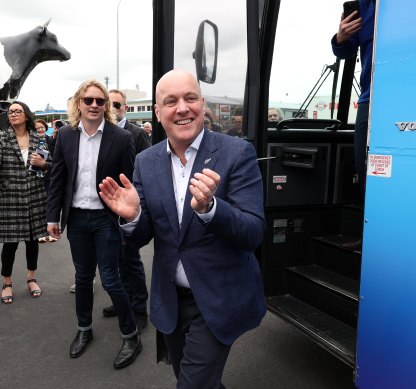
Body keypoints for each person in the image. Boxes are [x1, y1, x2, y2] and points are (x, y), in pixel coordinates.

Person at [98, 69, 266, 388]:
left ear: (203, 104)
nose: (182, 108)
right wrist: (133, 217)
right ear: (158, 113)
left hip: (219, 298)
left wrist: (212, 209)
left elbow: (254, 232)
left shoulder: (237, 154)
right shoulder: (146, 162)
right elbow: (144, 235)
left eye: (190, 98)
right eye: (171, 101)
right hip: (171, 300)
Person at [46, 79, 140, 369]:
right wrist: (52, 216)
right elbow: (57, 178)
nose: (95, 105)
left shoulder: (121, 139)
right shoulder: (64, 136)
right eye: (89, 100)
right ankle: (84, 329)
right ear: (79, 103)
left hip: (105, 219)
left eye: (101, 101)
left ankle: (131, 335)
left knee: (111, 279)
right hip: (76, 219)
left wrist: (129, 218)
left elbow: (131, 184)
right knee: (83, 278)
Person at [0, 101, 50, 303]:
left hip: (35, 195)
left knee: (32, 241)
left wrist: (44, 164)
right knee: (10, 244)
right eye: (10, 112)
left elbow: (50, 164)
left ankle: (31, 278)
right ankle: (7, 282)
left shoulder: (39, 138)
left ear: (26, 115)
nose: (12, 114)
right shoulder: (1, 138)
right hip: (11, 196)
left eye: (17, 111)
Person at [103, 89, 150, 331]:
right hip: (107, 209)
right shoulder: (99, 133)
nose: (111, 108)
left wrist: (136, 206)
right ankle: (123, 302)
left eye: (117, 104)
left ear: (126, 109)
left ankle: (140, 308)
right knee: (114, 260)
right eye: (106, 103)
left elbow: (144, 173)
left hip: (128, 209)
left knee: (131, 260)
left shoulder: (137, 134)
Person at [331, 0, 374, 194]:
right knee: (367, 169)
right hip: (370, 99)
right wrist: (341, 38)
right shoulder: (364, 6)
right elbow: (346, 51)